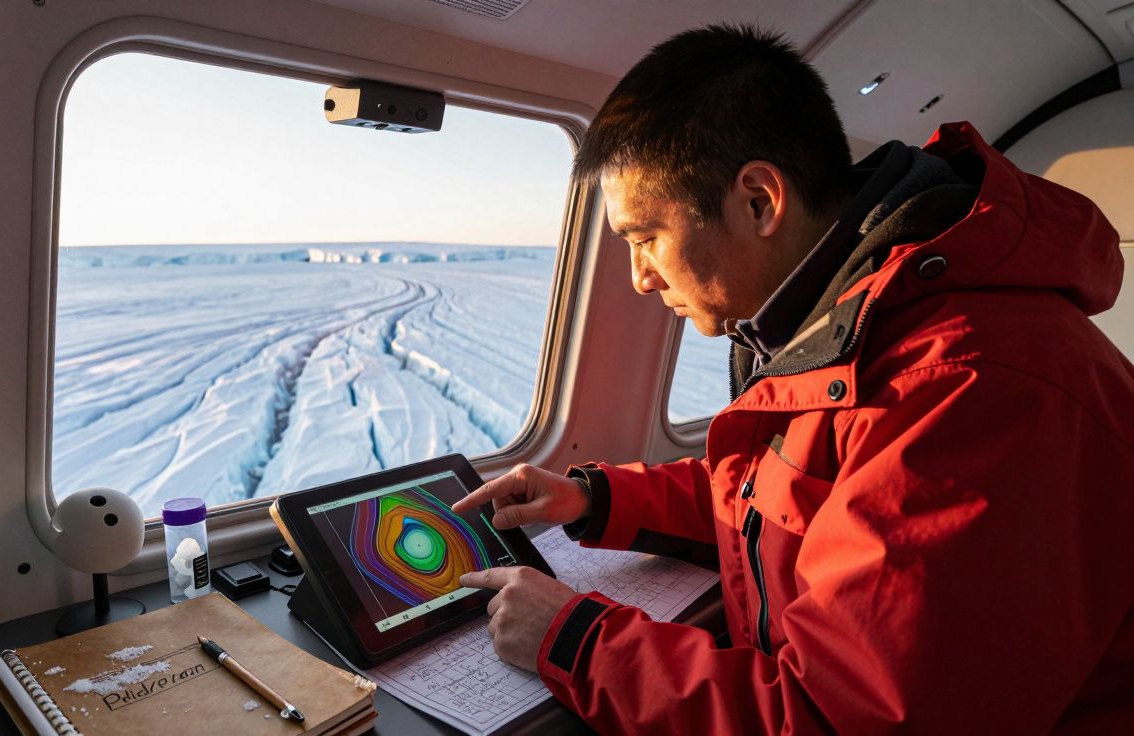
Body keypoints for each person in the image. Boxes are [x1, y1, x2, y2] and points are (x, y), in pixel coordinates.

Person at [451, 23, 1134, 734]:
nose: (641, 278)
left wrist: (574, 641)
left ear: (759, 201)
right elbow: (781, 496)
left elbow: (837, 720)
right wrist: (592, 498)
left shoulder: (965, 389)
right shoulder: (848, 326)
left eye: (646, 238)